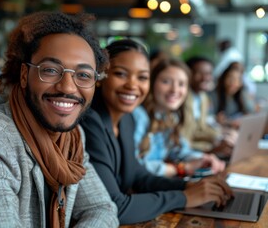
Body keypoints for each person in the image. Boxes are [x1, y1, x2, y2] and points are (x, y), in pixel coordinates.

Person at [0, 11, 119, 228]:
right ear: (24, 75)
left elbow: (103, 209)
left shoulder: (72, 138)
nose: (68, 87)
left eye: (84, 75)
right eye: (50, 70)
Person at [80, 39, 233, 225]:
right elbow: (113, 208)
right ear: (101, 76)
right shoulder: (90, 122)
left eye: (142, 77)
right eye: (121, 74)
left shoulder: (126, 119)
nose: (132, 85)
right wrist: (184, 197)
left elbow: (139, 176)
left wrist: (189, 186)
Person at [133, 58, 225, 178]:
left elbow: (181, 150)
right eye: (166, 82)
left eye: (181, 84)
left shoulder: (170, 117)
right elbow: (134, 167)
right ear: (152, 83)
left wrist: (204, 158)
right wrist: (179, 168)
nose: (175, 90)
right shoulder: (138, 115)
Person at [182, 56, 238, 158]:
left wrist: (222, 134)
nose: (205, 78)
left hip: (198, 148)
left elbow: (202, 127)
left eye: (208, 74)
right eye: (199, 73)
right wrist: (216, 139)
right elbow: (188, 136)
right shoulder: (181, 98)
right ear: (187, 73)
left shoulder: (203, 97)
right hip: (186, 151)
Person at [210, 61, 256, 129]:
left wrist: (244, 93)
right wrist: (217, 119)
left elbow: (251, 111)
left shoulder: (241, 93)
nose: (233, 83)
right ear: (223, 79)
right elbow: (209, 117)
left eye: (237, 80)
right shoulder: (214, 95)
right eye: (230, 78)